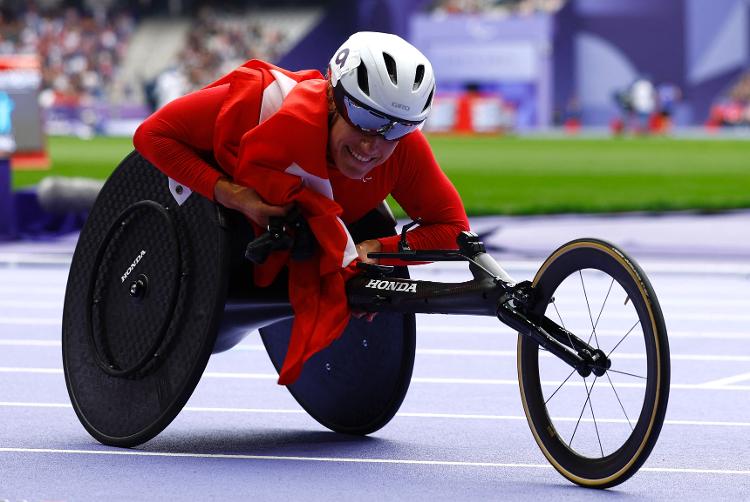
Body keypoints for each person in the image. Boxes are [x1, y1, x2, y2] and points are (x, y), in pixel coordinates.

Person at [133, 31, 470, 384]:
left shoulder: (404, 150)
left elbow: (455, 231)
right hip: (208, 266)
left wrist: (376, 250)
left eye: (399, 127)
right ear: (331, 98)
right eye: (365, 119)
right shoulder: (261, 103)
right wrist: (233, 194)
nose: (373, 144)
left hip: (300, 254)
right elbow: (152, 134)